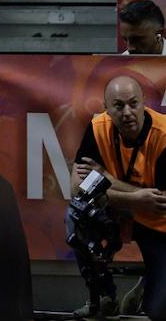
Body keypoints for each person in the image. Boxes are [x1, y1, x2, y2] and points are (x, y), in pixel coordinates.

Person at [70, 75, 166, 320]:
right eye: (118, 106)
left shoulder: (164, 134)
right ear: (106, 109)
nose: (127, 113)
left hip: (158, 224)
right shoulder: (97, 128)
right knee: (75, 215)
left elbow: (160, 201)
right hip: (116, 215)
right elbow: (77, 191)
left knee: (159, 311)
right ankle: (105, 297)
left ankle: (148, 286)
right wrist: (136, 198)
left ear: (144, 102)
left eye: (133, 104)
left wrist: (107, 181)